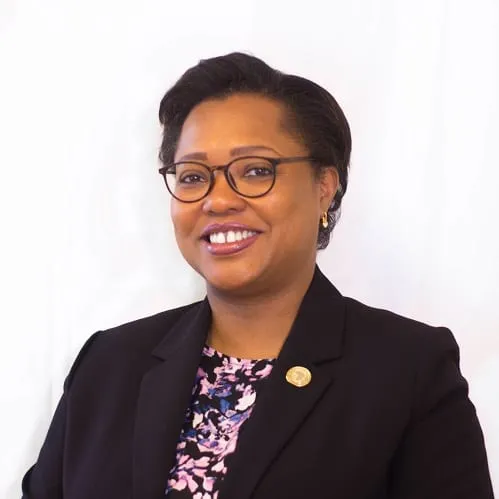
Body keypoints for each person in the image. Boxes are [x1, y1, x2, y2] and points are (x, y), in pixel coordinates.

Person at [21, 52, 494, 499]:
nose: (218, 200)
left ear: (325, 187)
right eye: (192, 176)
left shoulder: (408, 372)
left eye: (254, 171)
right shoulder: (109, 365)